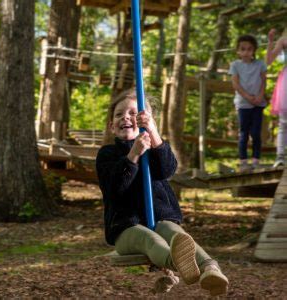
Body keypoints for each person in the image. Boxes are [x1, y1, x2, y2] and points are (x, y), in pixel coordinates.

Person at [96, 89, 229, 296]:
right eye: (119, 114)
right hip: (125, 228)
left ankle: (211, 270)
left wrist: (154, 135)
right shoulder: (107, 154)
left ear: (145, 120)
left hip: (159, 219)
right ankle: (179, 264)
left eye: (133, 113)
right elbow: (115, 187)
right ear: (111, 126)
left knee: (176, 233)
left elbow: (167, 169)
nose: (126, 118)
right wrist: (133, 155)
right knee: (151, 240)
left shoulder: (154, 149)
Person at [229, 34, 267, 172]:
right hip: (243, 104)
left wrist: (259, 96)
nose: (246, 52)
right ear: (238, 51)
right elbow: (235, 84)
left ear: (254, 50)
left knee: (256, 132)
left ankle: (256, 160)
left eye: (249, 49)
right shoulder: (235, 65)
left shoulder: (260, 64)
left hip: (258, 103)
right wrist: (248, 97)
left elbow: (263, 81)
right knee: (244, 133)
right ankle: (243, 161)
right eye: (243, 49)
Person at [266, 28, 287, 167]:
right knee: (284, 123)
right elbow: (268, 61)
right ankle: (280, 157)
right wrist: (270, 42)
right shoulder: (284, 39)